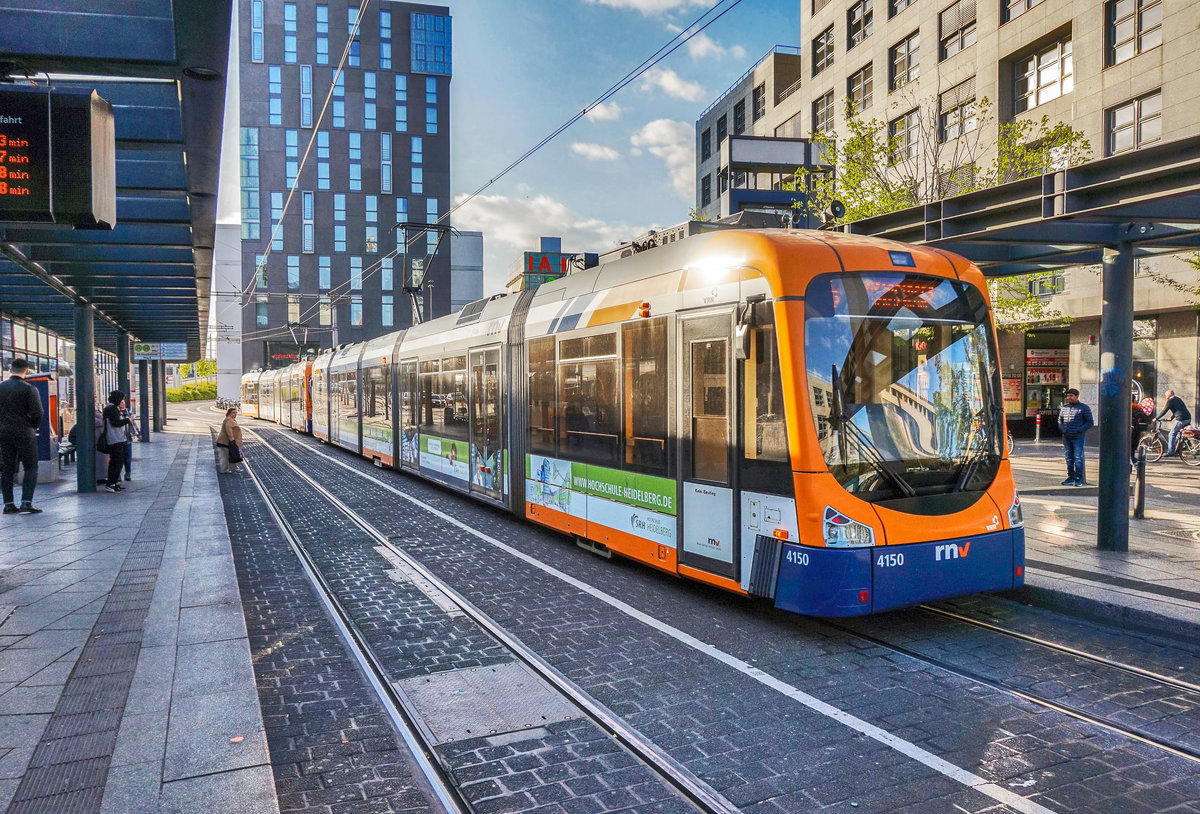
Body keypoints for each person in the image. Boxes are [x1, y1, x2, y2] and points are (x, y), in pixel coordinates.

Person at [0, 358, 44, 514]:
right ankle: (26, 502)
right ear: (26, 370)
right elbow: (38, 412)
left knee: (7, 469)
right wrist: (33, 425)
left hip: (4, 434)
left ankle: (8, 504)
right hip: (25, 433)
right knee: (31, 467)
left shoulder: (1, 387)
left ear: (11, 369)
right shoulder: (29, 389)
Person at [1057, 388, 1094, 486]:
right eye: (1068, 396)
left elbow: (1090, 422)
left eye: (1071, 396)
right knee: (1068, 458)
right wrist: (1063, 429)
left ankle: (1078, 479)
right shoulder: (1064, 408)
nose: (1069, 398)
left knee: (1078, 457)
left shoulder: (1083, 408)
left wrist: (1079, 430)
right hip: (1066, 436)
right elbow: (1060, 420)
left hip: (1078, 437)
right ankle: (1070, 477)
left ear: (1076, 397)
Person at [101, 391, 132, 492]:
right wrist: (127, 420)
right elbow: (116, 423)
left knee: (117, 461)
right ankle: (111, 483)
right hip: (114, 439)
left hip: (115, 438)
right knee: (116, 462)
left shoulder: (110, 407)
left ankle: (114, 482)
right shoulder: (112, 408)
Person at [1155, 389, 1192, 457]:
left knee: (1171, 434)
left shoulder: (1170, 401)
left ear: (1169, 395)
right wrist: (1171, 418)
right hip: (1188, 418)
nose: (1165, 396)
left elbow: (1164, 410)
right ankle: (1179, 446)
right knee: (1177, 433)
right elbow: (1178, 410)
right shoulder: (1178, 399)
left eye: (1166, 395)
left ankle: (1171, 452)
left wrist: (1156, 418)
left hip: (1181, 419)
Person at [215, 407, 243, 474]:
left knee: (230, 455)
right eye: (233, 413)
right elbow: (229, 432)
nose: (235, 414)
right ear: (229, 413)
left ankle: (231, 468)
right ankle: (226, 470)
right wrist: (232, 441)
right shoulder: (228, 421)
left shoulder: (231, 420)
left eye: (236, 413)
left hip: (227, 442)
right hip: (225, 442)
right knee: (227, 456)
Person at [120, 402, 140, 481]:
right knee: (119, 458)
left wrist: (138, 434)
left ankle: (128, 473)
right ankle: (118, 475)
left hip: (127, 437)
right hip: (119, 438)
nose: (123, 404)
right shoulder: (116, 412)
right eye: (121, 403)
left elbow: (133, 424)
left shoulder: (128, 412)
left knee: (128, 457)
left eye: (124, 403)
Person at [1131, 401, 1151, 466]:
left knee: (1129, 447)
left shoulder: (1128, 407)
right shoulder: (1138, 407)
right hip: (1138, 430)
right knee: (1133, 446)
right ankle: (1134, 460)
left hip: (1131, 430)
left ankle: (1133, 462)